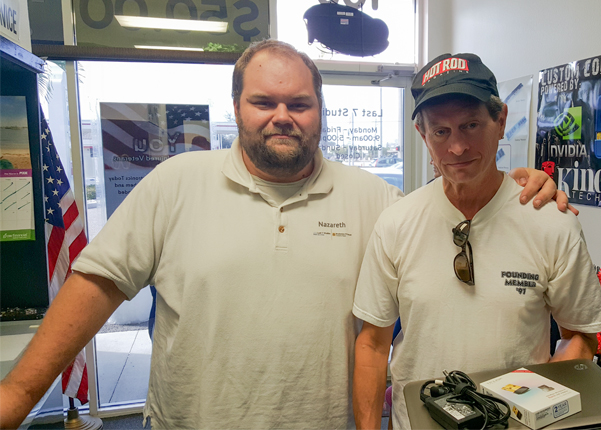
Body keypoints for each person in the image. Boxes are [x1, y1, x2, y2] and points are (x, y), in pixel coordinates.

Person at [0, 43, 566, 430]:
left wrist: (523, 187)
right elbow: (96, 283)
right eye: (263, 102)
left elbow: (459, 215)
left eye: (299, 103)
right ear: (237, 108)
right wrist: (19, 396)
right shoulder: (175, 181)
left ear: (321, 110)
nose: (282, 116)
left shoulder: (377, 202)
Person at [351, 53, 601, 430]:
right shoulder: (396, 223)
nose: (456, 148)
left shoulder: (551, 223)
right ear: (423, 134)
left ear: (499, 121)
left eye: (470, 125)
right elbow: (372, 344)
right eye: (441, 131)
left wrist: (536, 407)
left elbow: (579, 336)